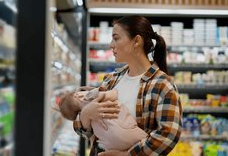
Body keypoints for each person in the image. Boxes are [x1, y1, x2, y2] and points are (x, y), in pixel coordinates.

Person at [73, 15, 182, 156]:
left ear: (136, 41)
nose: (111, 44)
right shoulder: (111, 80)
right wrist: (86, 115)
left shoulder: (162, 85)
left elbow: (168, 135)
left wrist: (128, 155)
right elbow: (85, 131)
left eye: (116, 38)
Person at [56, 87, 147, 151]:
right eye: (78, 92)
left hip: (109, 144)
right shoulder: (90, 97)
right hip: (123, 129)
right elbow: (113, 94)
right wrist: (113, 91)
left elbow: (85, 132)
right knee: (144, 138)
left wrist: (84, 115)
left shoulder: (89, 120)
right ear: (77, 96)